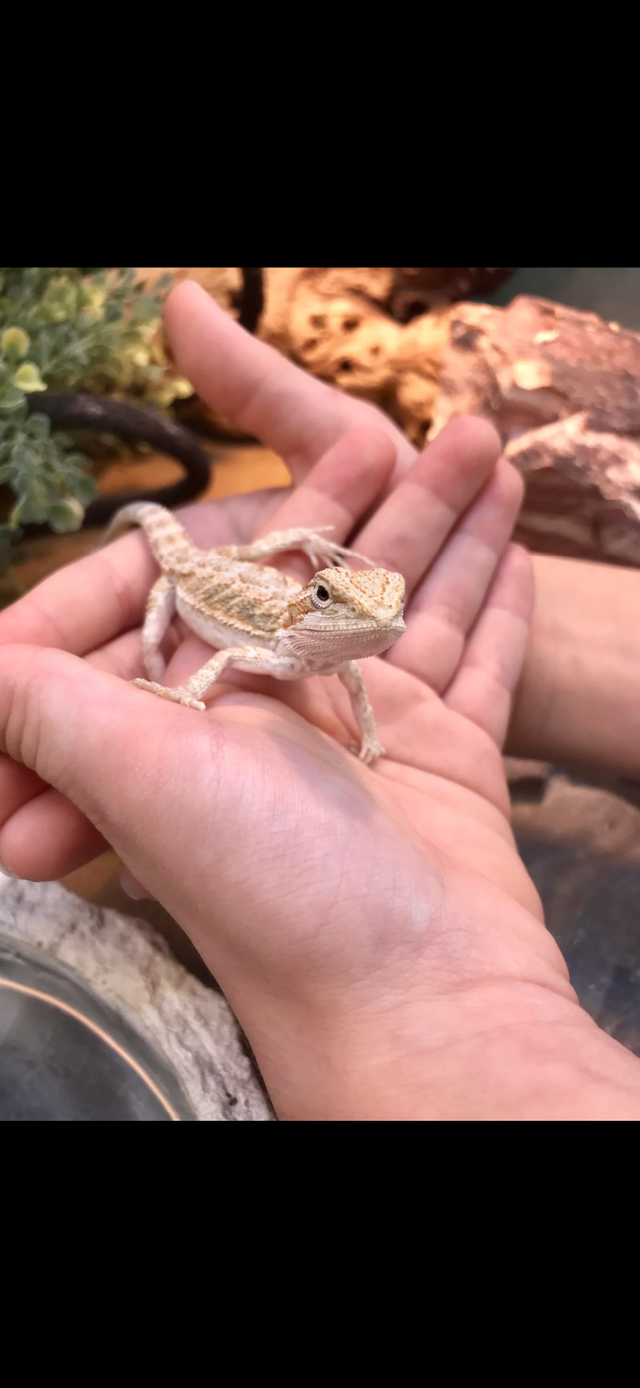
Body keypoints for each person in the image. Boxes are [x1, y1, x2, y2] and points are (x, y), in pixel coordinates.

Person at [0, 279, 639, 1121]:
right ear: (317, 605)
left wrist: (370, 738)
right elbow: (219, 658)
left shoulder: (341, 651)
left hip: (276, 587)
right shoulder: (275, 634)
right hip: (201, 581)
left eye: (393, 607)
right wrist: (173, 678)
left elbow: (357, 677)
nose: (389, 625)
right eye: (355, 608)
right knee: (161, 600)